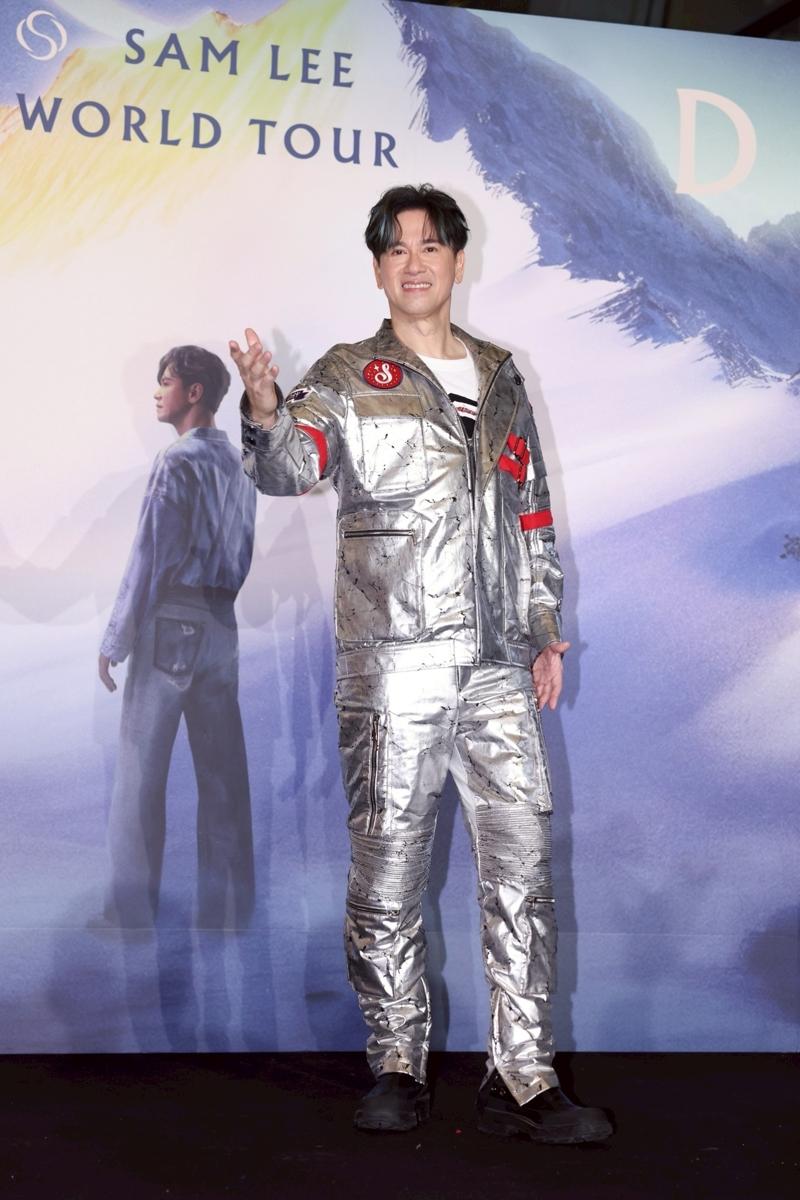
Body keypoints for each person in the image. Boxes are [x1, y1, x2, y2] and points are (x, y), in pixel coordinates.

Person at [230, 185, 612, 1142]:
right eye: (396, 249)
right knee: (389, 873)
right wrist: (267, 406)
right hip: (393, 665)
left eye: (430, 246)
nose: (415, 262)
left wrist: (544, 621)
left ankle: (522, 1076)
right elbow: (289, 464)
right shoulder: (348, 374)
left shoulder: (501, 375)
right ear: (377, 268)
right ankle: (396, 1064)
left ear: (456, 260)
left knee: (521, 874)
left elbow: (529, 506)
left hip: (497, 668)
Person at [97, 346, 256, 930]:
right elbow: (242, 552)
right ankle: (229, 912)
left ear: (194, 392)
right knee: (222, 778)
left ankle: (131, 915)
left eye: (165, 382)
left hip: (170, 625)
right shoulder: (241, 465)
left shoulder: (175, 461)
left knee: (140, 778)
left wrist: (116, 638)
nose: (156, 393)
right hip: (222, 627)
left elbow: (150, 556)